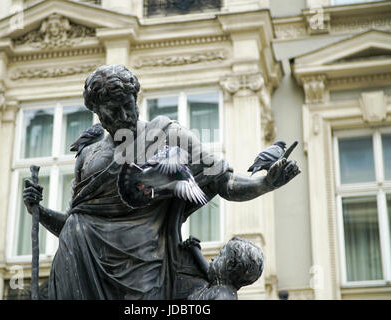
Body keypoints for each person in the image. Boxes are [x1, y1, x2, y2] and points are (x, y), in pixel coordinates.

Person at [23, 64, 300, 300]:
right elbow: (75, 222)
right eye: (112, 111)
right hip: (78, 262)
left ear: (136, 100)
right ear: (96, 111)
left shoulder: (167, 135)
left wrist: (266, 184)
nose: (124, 116)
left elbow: (223, 182)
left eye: (128, 106)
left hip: (144, 268)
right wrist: (39, 210)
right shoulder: (87, 155)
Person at [182, 236, 263, 300]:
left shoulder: (222, 296)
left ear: (231, 266)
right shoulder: (220, 287)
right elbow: (208, 271)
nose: (213, 258)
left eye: (220, 256)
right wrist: (194, 248)